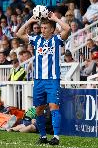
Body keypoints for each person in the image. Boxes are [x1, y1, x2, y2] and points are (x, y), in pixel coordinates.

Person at [17, 11, 70, 145]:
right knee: (39, 109)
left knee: (54, 106)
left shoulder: (57, 39)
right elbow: (19, 34)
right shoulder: (36, 40)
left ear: (52, 30)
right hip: (39, 80)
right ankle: (43, 136)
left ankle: (56, 137)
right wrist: (30, 20)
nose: (43, 30)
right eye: (41, 27)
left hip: (52, 79)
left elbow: (67, 29)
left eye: (45, 28)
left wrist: (55, 19)